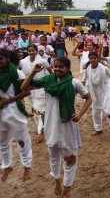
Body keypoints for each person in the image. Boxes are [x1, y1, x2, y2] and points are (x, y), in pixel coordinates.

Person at [21, 57, 92, 198]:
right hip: (51, 124)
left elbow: (89, 98)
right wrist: (33, 72)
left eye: (61, 67)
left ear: (68, 68)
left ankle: (67, 188)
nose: (58, 69)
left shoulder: (74, 83)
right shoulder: (48, 80)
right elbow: (24, 87)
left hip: (68, 124)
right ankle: (57, 180)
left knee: (70, 158)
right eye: (55, 67)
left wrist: (80, 114)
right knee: (53, 156)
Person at [0, 49, 32, 182]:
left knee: (21, 139)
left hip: (14, 110)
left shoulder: (17, 72)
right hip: (1, 112)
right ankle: (7, 166)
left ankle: (27, 165)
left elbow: (27, 91)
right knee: (2, 142)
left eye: (1, 59)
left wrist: (10, 100)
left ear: (7, 59)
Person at [19, 44, 53, 143]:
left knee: (40, 109)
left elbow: (50, 71)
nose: (31, 52)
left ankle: (41, 131)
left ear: (36, 51)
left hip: (40, 87)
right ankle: (41, 125)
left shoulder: (42, 61)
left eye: (33, 50)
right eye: (29, 51)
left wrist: (54, 81)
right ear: (27, 51)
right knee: (34, 107)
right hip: (28, 87)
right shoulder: (23, 61)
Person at [82, 52, 110, 138]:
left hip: (104, 92)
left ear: (97, 59)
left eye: (94, 58)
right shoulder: (87, 69)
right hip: (94, 93)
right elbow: (84, 80)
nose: (93, 60)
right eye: (91, 58)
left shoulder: (103, 68)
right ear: (89, 59)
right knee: (96, 113)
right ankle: (98, 129)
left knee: (109, 112)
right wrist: (83, 91)